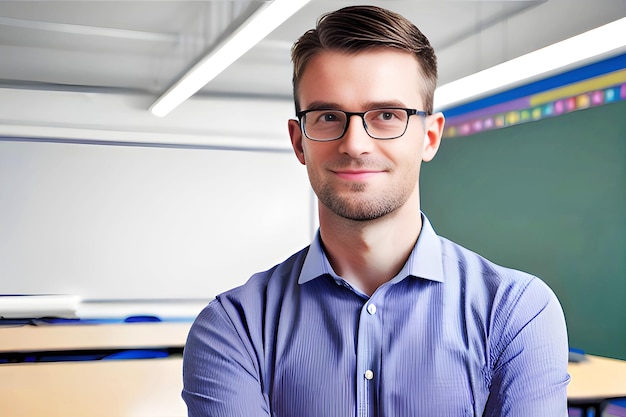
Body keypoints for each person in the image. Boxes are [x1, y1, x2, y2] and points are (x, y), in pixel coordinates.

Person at [182, 5, 570, 417]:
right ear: (299, 142)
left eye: (386, 115)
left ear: (430, 136)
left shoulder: (514, 312)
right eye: (328, 116)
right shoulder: (234, 328)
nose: (355, 144)